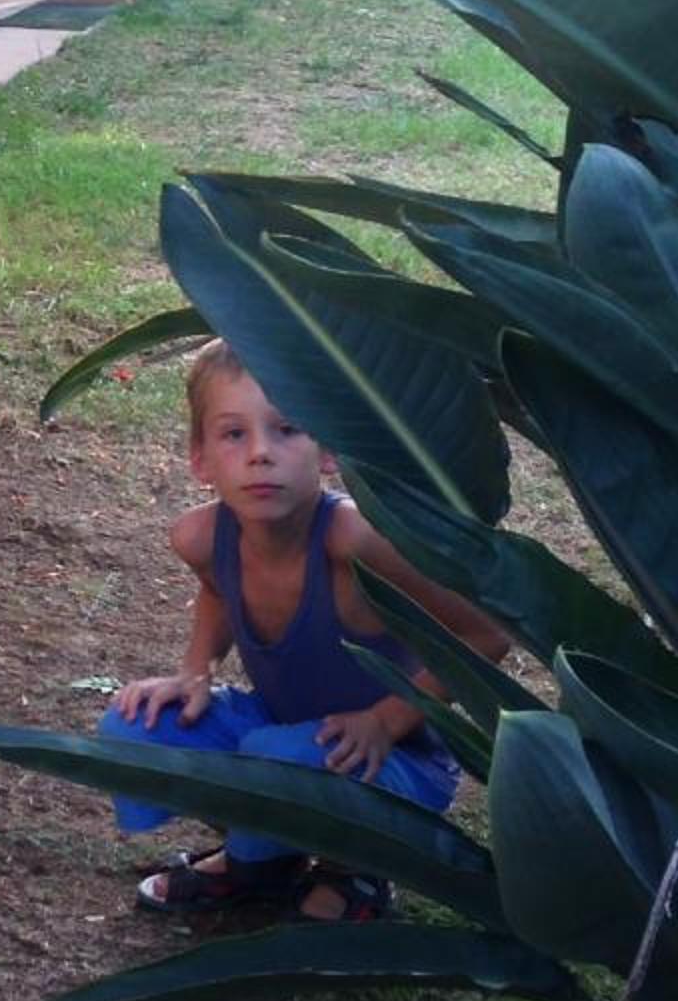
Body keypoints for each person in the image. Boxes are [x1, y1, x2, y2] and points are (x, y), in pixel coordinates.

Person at [100, 340, 512, 918]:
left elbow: (487, 632)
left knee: (279, 754)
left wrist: (386, 720)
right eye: (234, 434)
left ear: (327, 450)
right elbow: (218, 589)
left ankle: (355, 870)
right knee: (135, 724)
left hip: (394, 762)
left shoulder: (356, 541)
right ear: (200, 459)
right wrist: (195, 670)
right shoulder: (200, 538)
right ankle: (265, 861)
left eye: (288, 429)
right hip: (287, 739)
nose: (260, 454)